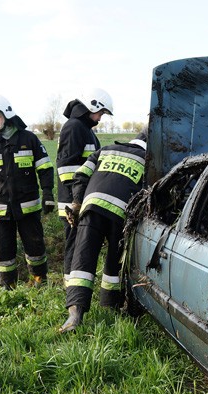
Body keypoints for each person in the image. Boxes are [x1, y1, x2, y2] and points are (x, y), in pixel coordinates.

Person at [59, 130, 148, 333]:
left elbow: (80, 175)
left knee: (82, 260)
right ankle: (110, 305)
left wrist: (77, 203)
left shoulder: (105, 150)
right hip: (122, 215)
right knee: (114, 261)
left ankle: (74, 316)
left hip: (92, 208)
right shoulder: (148, 161)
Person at [0, 95, 55, 289]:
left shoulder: (29, 139)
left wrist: (48, 194)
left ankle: (39, 283)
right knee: (3, 253)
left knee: (35, 249)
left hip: (28, 209)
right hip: (0, 212)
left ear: (7, 116)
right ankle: (8, 289)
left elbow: (45, 168)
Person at [56, 88, 114, 299]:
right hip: (72, 201)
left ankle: (72, 285)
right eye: (101, 113)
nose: (100, 118)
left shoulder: (85, 129)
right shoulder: (74, 127)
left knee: (77, 242)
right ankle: (69, 287)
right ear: (92, 106)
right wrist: (76, 200)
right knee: (73, 243)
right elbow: (66, 166)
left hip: (80, 198)